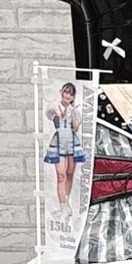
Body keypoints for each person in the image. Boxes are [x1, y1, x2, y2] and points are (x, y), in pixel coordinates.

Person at [45, 81, 86, 211]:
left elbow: (75, 128)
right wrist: (60, 111)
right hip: (59, 142)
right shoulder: (54, 107)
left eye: (71, 94)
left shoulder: (75, 111)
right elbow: (50, 113)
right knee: (61, 175)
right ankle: (62, 206)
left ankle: (67, 202)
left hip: (72, 143)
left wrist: (72, 112)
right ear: (61, 93)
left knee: (70, 173)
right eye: (66, 92)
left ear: (73, 97)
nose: (68, 96)